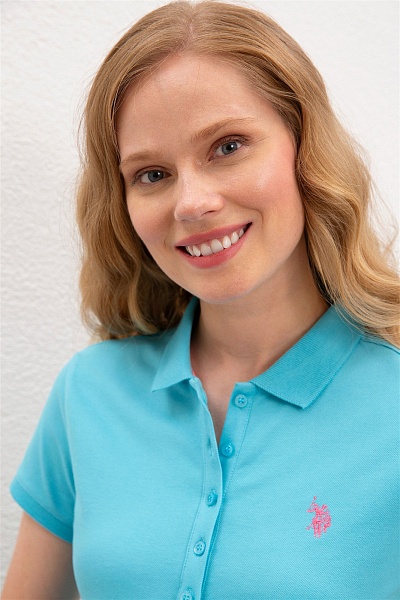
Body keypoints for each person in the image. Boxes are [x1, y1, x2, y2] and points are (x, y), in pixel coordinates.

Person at [2, 1, 399, 598]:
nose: (192, 203)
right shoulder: (88, 392)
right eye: (152, 174)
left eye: (228, 146)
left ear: (304, 146)